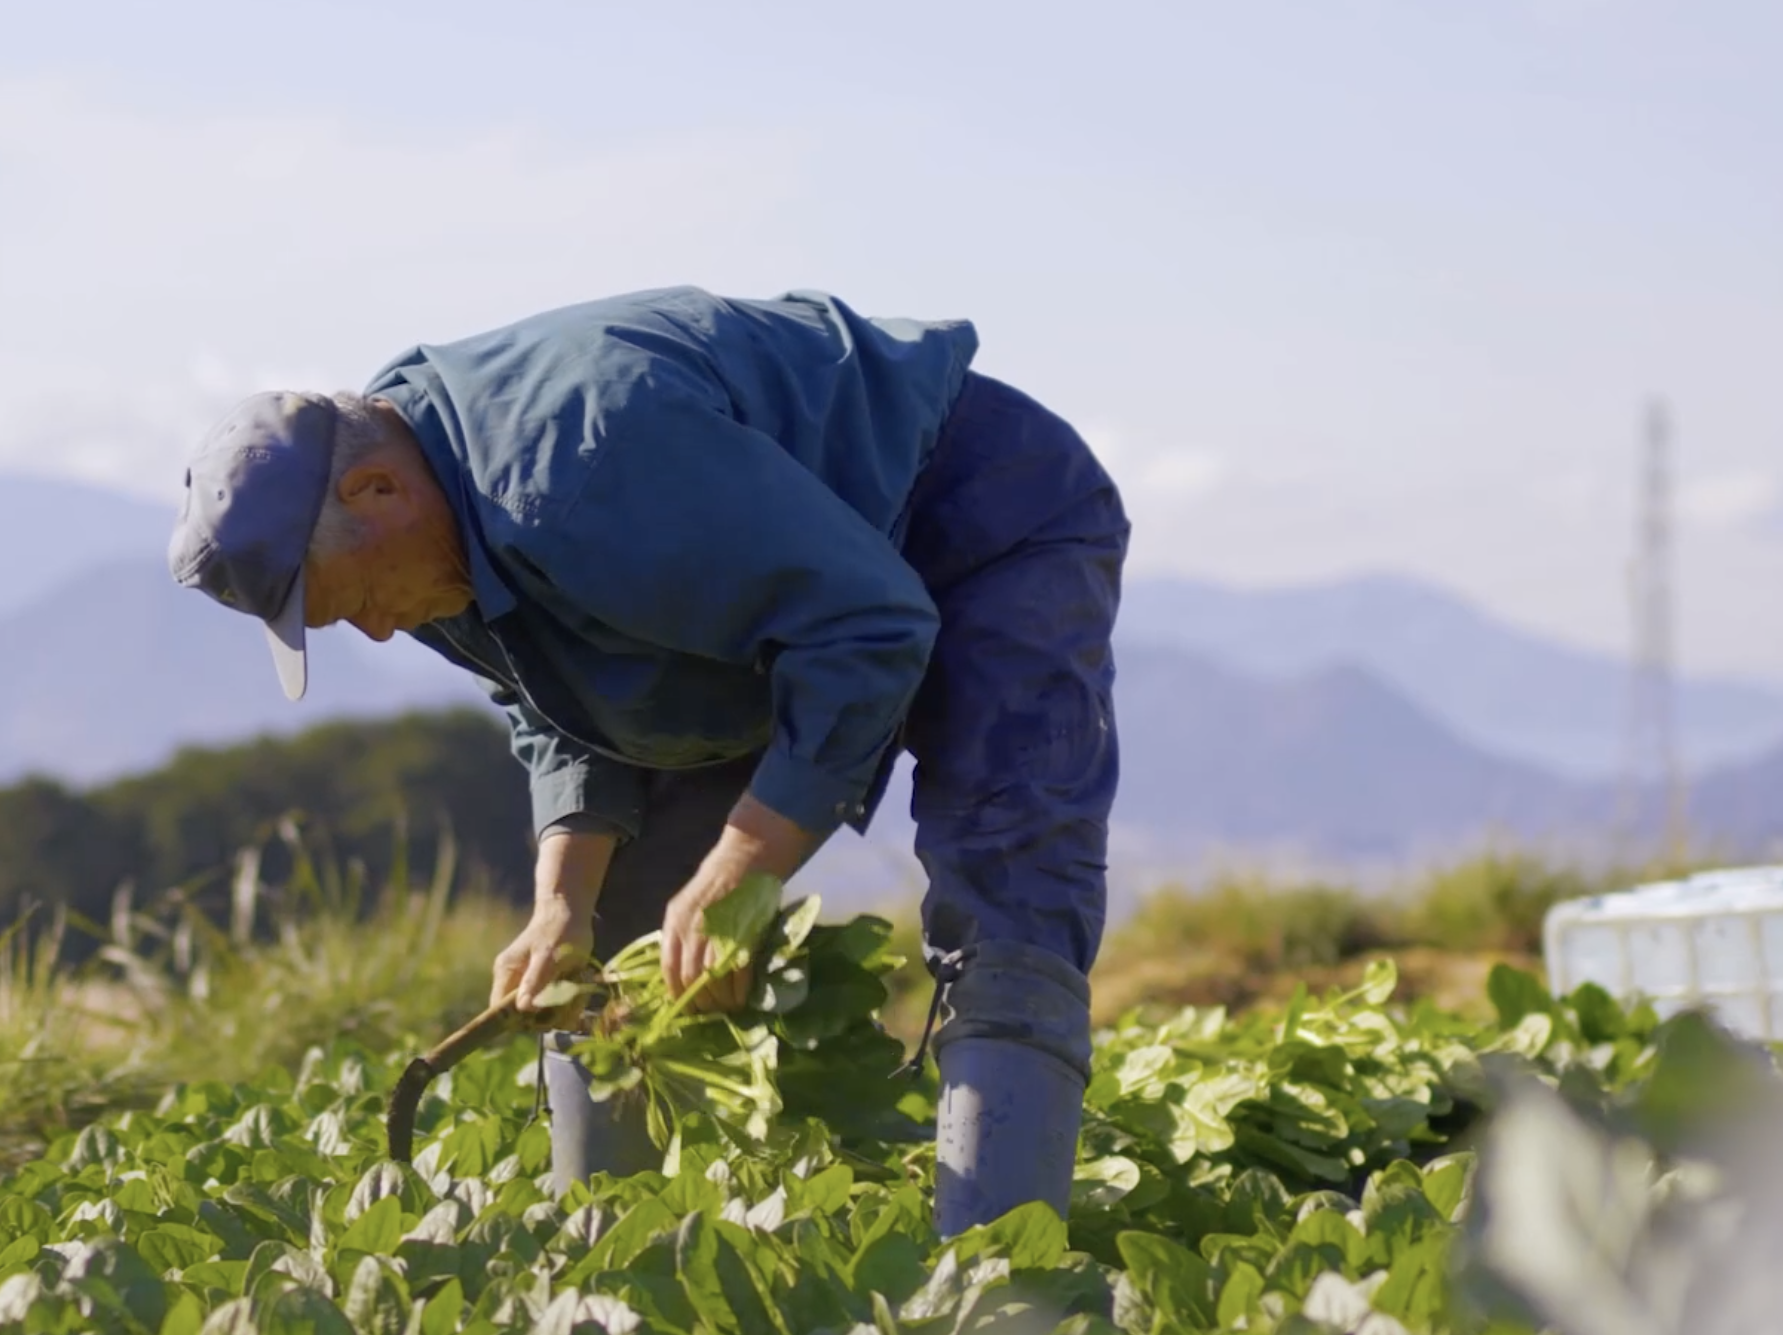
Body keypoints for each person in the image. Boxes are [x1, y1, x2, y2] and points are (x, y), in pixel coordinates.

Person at [165, 287, 1125, 1236]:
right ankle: (608, 1256)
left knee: (1008, 866)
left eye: (355, 598)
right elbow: (558, 701)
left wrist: (741, 873)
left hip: (974, 509)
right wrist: (559, 904)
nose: (374, 632)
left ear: (375, 493)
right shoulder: (417, 524)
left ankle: (1000, 1270)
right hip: (775, 595)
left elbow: (867, 629)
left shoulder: (577, 470)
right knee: (613, 947)